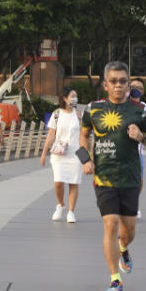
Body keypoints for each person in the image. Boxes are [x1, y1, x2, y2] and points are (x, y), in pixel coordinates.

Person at [79, 61, 146, 291]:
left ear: (128, 83)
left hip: (131, 178)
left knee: (128, 230)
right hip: (104, 178)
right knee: (110, 223)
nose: (118, 86)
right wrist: (85, 159)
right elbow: (83, 136)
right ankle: (115, 280)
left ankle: (124, 249)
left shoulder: (140, 110)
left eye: (123, 81)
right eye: (113, 81)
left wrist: (141, 136)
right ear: (105, 84)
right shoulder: (92, 109)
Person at [40, 87, 83, 222]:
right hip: (59, 153)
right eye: (72, 96)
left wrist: (87, 156)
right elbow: (51, 134)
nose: (74, 99)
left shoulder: (79, 114)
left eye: (76, 96)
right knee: (58, 182)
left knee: (73, 183)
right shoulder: (57, 114)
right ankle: (60, 205)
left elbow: (84, 135)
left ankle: (71, 212)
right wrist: (43, 153)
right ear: (64, 98)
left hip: (76, 153)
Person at [130, 77, 146, 218]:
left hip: (137, 153)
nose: (136, 89)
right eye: (133, 86)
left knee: (139, 180)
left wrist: (140, 135)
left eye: (139, 88)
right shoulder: (120, 104)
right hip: (119, 152)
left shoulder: (145, 108)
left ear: (142, 92)